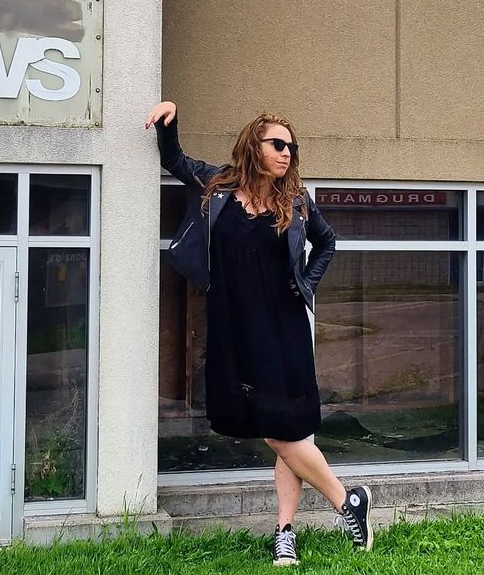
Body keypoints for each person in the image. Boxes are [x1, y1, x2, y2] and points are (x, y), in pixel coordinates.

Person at [146, 100, 373, 567]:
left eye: (291, 146)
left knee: (281, 428)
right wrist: (171, 117)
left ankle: (343, 504)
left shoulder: (296, 201)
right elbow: (174, 160)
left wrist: (305, 284)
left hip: (282, 326)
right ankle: (291, 529)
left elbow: (327, 243)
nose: (287, 153)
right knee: (286, 431)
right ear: (255, 145)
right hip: (233, 324)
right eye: (277, 144)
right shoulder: (220, 186)